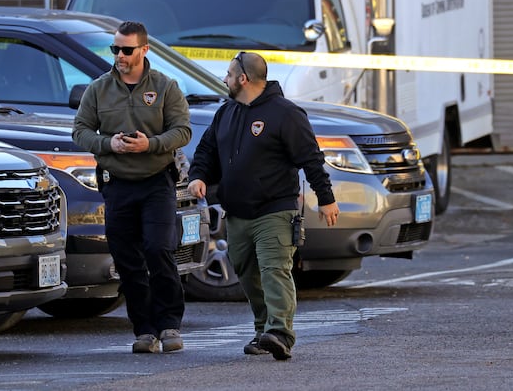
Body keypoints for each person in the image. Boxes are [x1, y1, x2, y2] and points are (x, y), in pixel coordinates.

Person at [187, 51, 339, 361]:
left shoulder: (286, 113)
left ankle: (281, 332)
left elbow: (311, 158)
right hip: (237, 212)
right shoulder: (225, 112)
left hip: (275, 209)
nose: (225, 80)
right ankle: (263, 330)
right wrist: (198, 176)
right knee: (246, 272)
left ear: (243, 79)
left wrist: (326, 198)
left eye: (228, 75)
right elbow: (207, 151)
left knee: (274, 269)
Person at [72, 20, 191, 354]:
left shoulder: (165, 87)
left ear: (144, 50)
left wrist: (149, 145)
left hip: (156, 182)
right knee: (127, 260)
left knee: (158, 249)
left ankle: (169, 324)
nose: (120, 56)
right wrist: (109, 143)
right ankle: (145, 330)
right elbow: (80, 131)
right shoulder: (98, 89)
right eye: (115, 49)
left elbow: (182, 130)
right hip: (117, 185)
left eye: (127, 50)